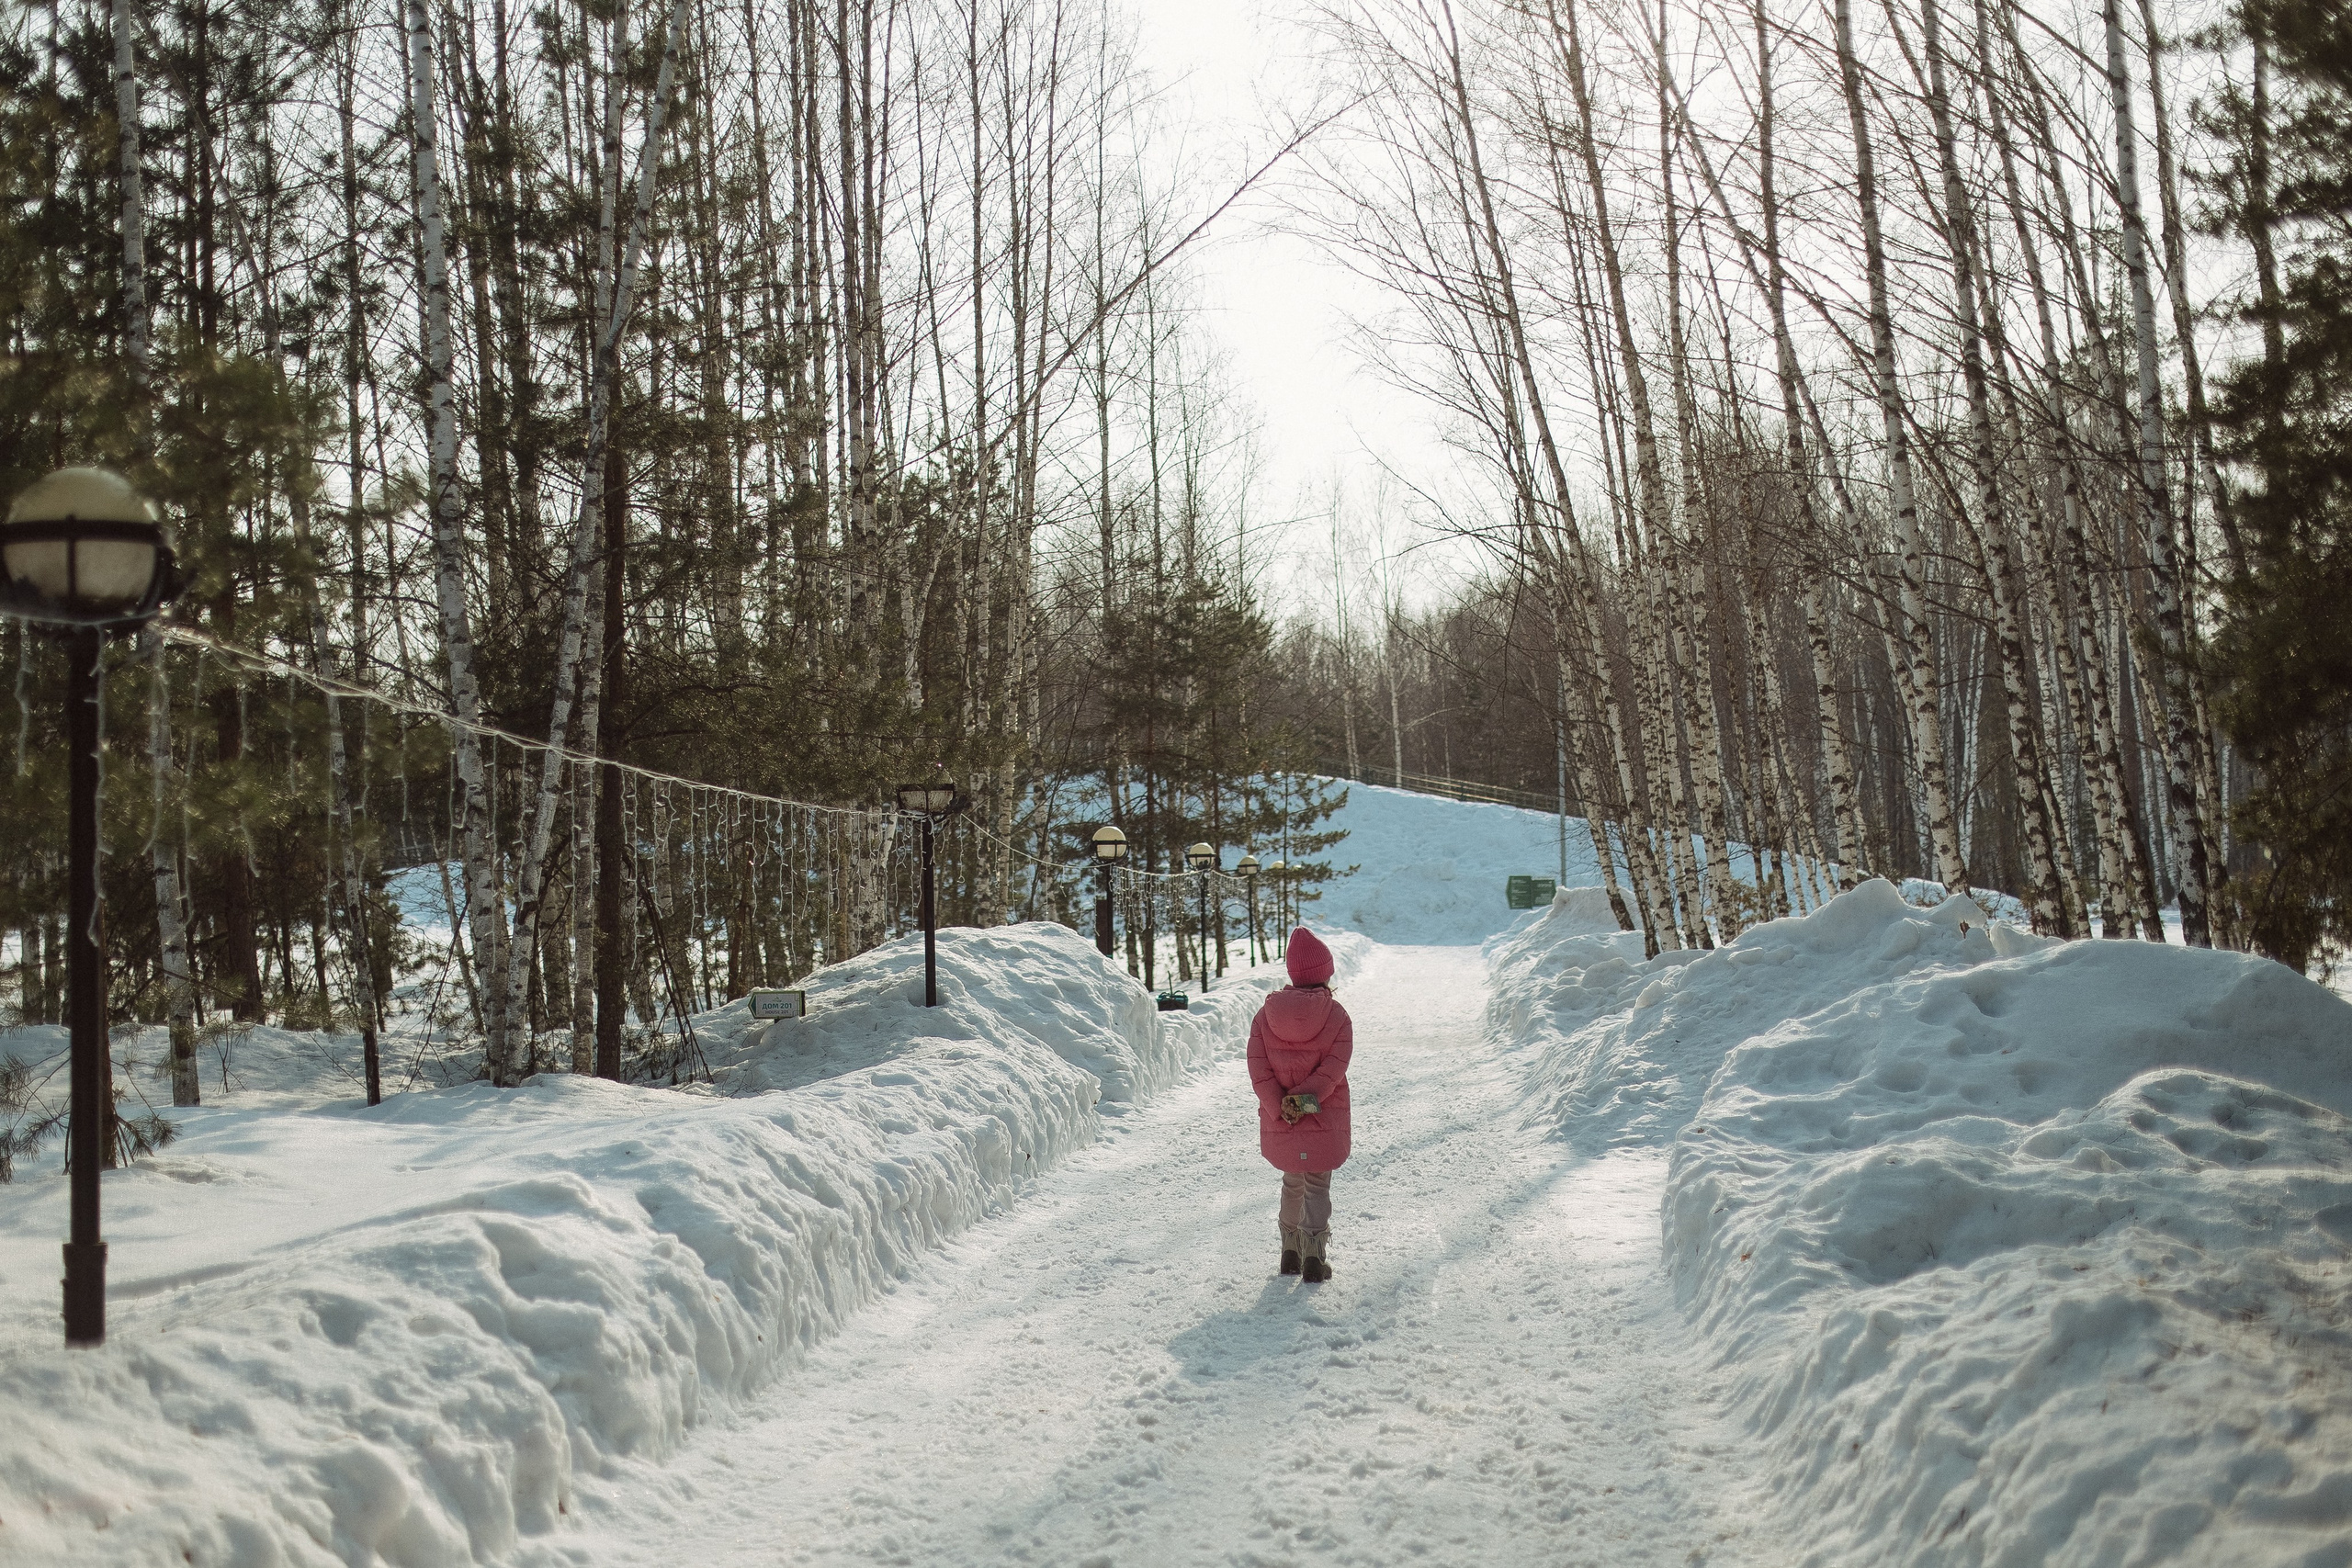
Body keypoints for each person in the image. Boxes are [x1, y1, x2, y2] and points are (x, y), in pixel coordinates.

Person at [1247, 926, 1353, 1282]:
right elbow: (1333, 1071)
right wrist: (1304, 1103)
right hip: (1322, 1117)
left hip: (1282, 1121)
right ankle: (1314, 1255)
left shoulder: (1264, 1017)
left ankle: (1290, 1252)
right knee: (1318, 1184)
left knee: (1292, 1181)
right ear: (1325, 973)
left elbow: (1258, 1069)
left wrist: (1282, 1106)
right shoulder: (1337, 1017)